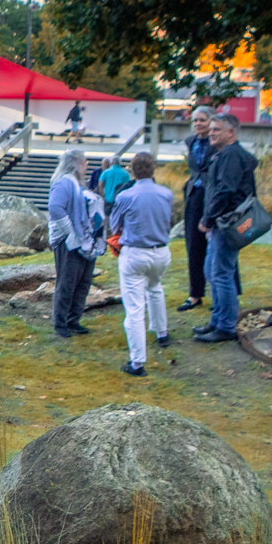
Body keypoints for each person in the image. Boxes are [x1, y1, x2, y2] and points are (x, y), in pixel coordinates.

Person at [105, 150, 174, 376]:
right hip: (161, 251)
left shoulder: (126, 196)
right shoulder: (166, 194)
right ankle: (162, 333)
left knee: (134, 309)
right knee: (155, 288)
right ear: (153, 169)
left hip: (135, 253)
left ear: (132, 171)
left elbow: (115, 226)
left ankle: (137, 362)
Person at [195, 112, 257, 343]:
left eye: (216, 129)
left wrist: (208, 220)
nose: (211, 132)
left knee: (221, 274)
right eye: (211, 129)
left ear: (231, 132)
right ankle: (217, 321)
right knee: (213, 272)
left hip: (226, 223)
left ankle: (226, 327)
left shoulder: (230, 155)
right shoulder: (226, 154)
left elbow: (225, 191)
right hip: (222, 222)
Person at [46, 147, 105, 340]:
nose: (88, 165)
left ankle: (73, 319)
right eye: (86, 161)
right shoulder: (64, 183)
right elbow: (55, 207)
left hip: (85, 241)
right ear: (77, 163)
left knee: (83, 281)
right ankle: (60, 321)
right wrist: (70, 233)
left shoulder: (78, 183)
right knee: (68, 281)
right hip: (69, 241)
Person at [178, 107, 215, 312]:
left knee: (218, 245)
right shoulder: (190, 141)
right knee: (193, 246)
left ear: (211, 122)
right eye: (195, 120)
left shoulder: (216, 141)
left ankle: (224, 293)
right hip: (194, 194)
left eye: (202, 120)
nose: (198, 123)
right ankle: (195, 294)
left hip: (212, 196)